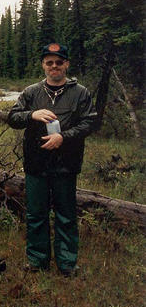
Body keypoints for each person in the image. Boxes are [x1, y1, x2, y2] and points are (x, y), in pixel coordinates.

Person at [8, 43, 97, 277]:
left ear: (66, 64)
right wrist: (32, 114)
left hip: (66, 164)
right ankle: (37, 260)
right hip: (36, 164)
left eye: (59, 62)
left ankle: (67, 263)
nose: (54, 66)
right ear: (43, 65)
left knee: (66, 214)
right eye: (50, 62)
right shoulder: (31, 92)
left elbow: (89, 123)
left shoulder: (81, 93)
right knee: (36, 214)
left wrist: (63, 137)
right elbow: (12, 118)